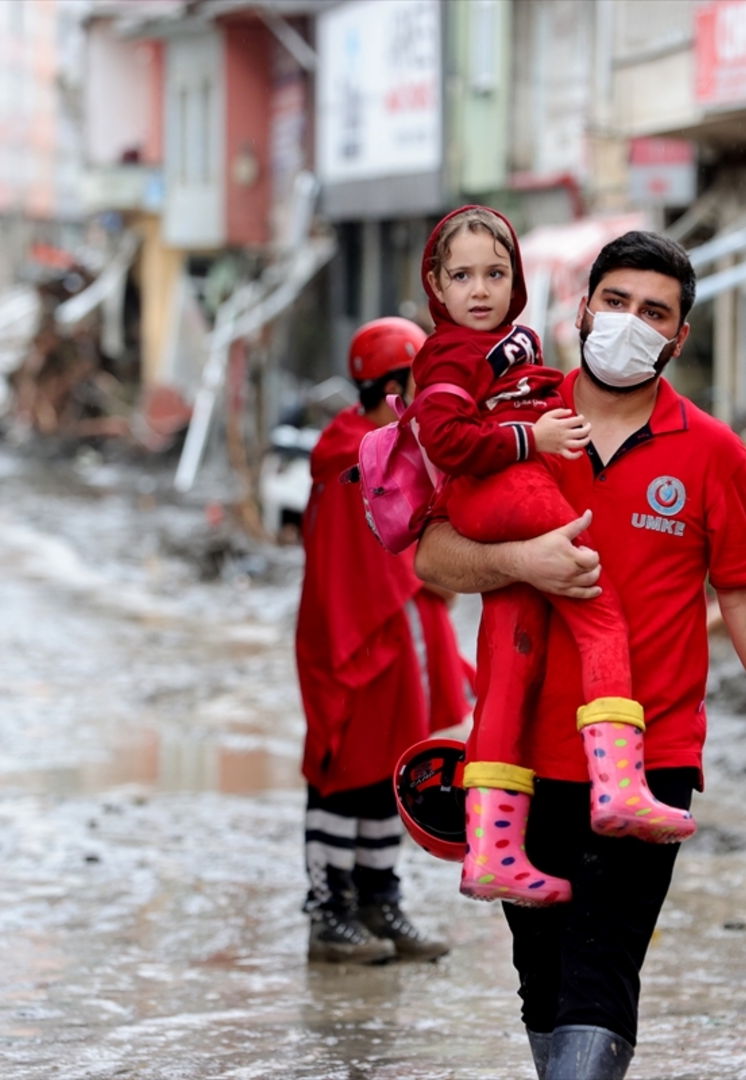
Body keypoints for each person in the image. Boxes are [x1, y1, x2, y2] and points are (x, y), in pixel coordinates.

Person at [414, 232, 746, 1078]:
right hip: (516, 760)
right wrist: (516, 563)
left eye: (655, 313)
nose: (630, 323)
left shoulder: (712, 451)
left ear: (678, 339)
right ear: (582, 307)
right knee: (541, 977)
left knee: (602, 966)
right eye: (617, 301)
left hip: (649, 761)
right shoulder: (513, 421)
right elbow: (431, 555)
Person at [410, 207, 694, 909]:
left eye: (496, 274)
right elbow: (445, 439)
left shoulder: (509, 343)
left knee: (507, 665)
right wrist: (528, 442)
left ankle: (492, 848)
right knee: (597, 607)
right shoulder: (451, 353)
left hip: (500, 492)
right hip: (502, 486)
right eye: (463, 275)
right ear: (436, 287)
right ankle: (622, 787)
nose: (481, 289)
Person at [295, 316, 473, 964]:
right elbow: (375, 563)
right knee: (343, 768)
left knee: (383, 771)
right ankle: (329, 911)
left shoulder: (382, 444)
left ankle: (378, 900)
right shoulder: (355, 454)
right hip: (361, 635)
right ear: (397, 382)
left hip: (393, 634)